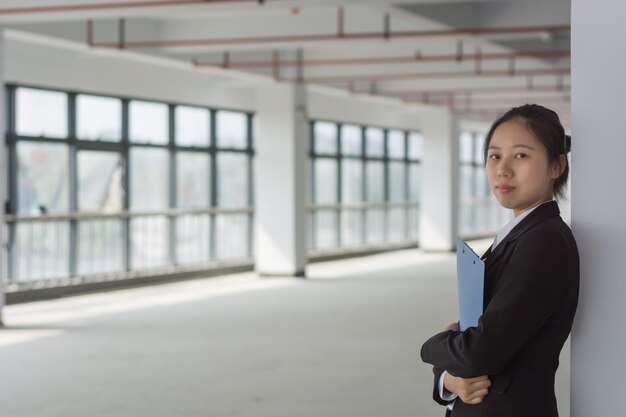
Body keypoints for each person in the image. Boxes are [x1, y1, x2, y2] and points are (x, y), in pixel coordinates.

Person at [420, 104, 579, 417]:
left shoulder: (544, 241)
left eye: (520, 155)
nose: (503, 170)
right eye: (494, 156)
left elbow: (479, 351)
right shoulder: (517, 235)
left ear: (556, 166)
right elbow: (474, 344)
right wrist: (449, 380)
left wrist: (434, 344)